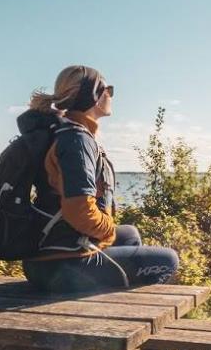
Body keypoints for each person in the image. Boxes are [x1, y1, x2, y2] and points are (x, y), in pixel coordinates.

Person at [18, 65, 179, 294]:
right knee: (168, 261)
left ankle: (113, 312)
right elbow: (79, 211)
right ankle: (115, 319)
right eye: (108, 89)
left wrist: (108, 231)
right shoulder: (76, 140)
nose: (111, 95)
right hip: (62, 264)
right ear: (93, 95)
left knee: (130, 234)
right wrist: (108, 231)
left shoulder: (65, 131)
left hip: (48, 255)